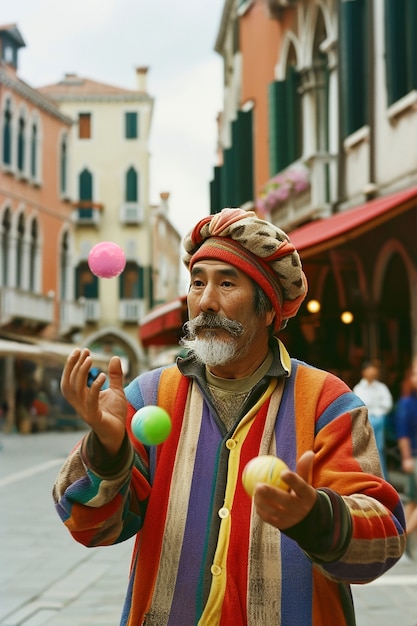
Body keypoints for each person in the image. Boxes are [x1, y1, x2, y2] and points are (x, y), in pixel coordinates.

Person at [53, 208, 405, 626]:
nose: (206, 301)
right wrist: (108, 451)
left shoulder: (327, 402)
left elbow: (383, 542)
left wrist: (317, 517)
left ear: (269, 309)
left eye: (226, 283)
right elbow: (87, 525)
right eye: (198, 282)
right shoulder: (148, 396)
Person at [353, 361, 393, 478]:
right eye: (370, 368)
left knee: (379, 449)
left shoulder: (381, 387)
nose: (373, 371)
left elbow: (387, 403)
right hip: (365, 420)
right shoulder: (358, 388)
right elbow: (359, 406)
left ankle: (383, 477)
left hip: (379, 420)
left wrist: (378, 413)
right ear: (364, 372)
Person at [395, 363, 417, 556]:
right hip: (415, 458)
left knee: (412, 502)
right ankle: (402, 539)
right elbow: (403, 435)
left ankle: (404, 541)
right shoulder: (406, 403)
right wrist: (407, 457)